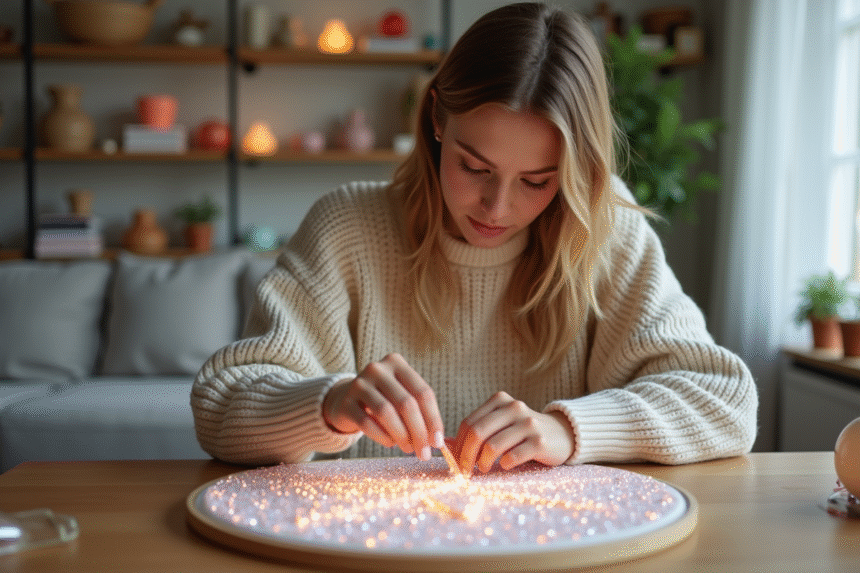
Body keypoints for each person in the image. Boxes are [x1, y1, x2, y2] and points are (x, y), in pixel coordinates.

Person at [191, 2, 757, 473]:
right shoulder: (348, 227)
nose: (497, 207)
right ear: (437, 119)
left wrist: (565, 430)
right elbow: (220, 408)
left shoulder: (606, 229)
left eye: (537, 181)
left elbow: (727, 402)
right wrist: (331, 404)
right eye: (474, 167)